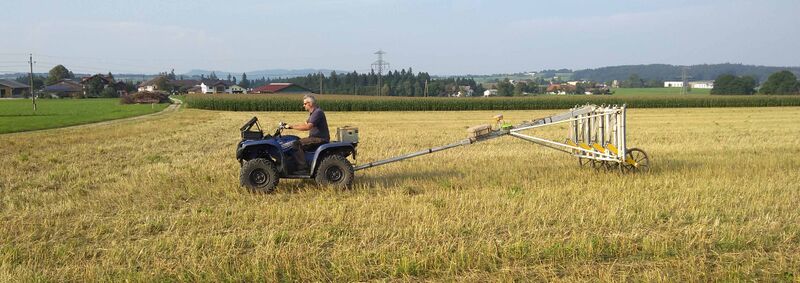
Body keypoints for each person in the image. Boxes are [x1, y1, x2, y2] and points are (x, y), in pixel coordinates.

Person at [285, 94, 329, 173]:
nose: (303, 105)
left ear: (310, 104)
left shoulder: (318, 113)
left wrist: (292, 126)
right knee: (295, 140)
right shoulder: (313, 113)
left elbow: (307, 127)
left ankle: (303, 168)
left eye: (305, 103)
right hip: (315, 138)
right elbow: (304, 124)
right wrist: (289, 125)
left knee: (296, 144)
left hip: (320, 139)